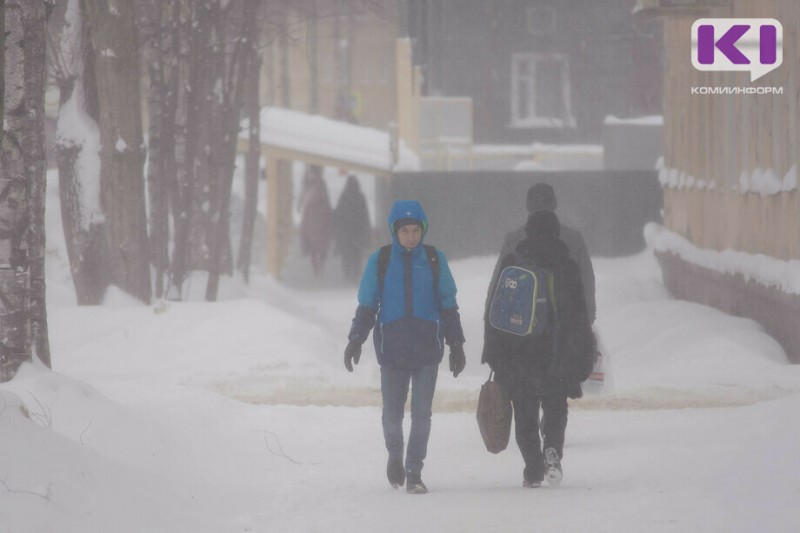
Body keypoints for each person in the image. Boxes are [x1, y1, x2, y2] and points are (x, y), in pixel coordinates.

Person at [344, 200, 466, 495]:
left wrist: (457, 344)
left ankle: (414, 472)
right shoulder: (382, 260)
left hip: (427, 350)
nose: (411, 236)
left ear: (422, 230)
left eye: (415, 230)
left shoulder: (435, 259)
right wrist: (355, 340)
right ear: (394, 232)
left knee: (422, 415)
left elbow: (448, 306)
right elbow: (368, 305)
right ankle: (395, 455)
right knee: (392, 416)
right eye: (405, 231)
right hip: (393, 351)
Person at [482, 210, 595, 488]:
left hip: (520, 355)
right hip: (556, 355)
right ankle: (552, 449)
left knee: (525, 412)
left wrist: (493, 351)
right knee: (556, 407)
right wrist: (583, 356)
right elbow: (578, 317)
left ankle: (532, 466)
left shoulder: (514, 263)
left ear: (528, 233)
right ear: (556, 232)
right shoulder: (567, 265)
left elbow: (497, 311)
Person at [486, 182, 595, 324]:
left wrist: (490, 314)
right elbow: (586, 279)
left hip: (524, 321)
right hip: (565, 320)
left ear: (528, 206)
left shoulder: (514, 240)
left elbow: (499, 280)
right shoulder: (573, 239)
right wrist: (588, 316)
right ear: (555, 203)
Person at [332, 176, 372, 282]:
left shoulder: (344, 196)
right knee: (357, 254)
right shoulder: (360, 197)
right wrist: (366, 232)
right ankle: (356, 274)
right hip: (357, 233)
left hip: (346, 233)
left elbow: (337, 214)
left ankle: (347, 274)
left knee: (347, 254)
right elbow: (365, 215)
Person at [298, 165, 333, 277]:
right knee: (320, 245)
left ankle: (317, 268)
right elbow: (326, 200)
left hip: (312, 220)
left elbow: (304, 198)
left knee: (314, 246)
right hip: (319, 220)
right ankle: (319, 266)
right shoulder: (318, 185)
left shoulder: (309, 185)